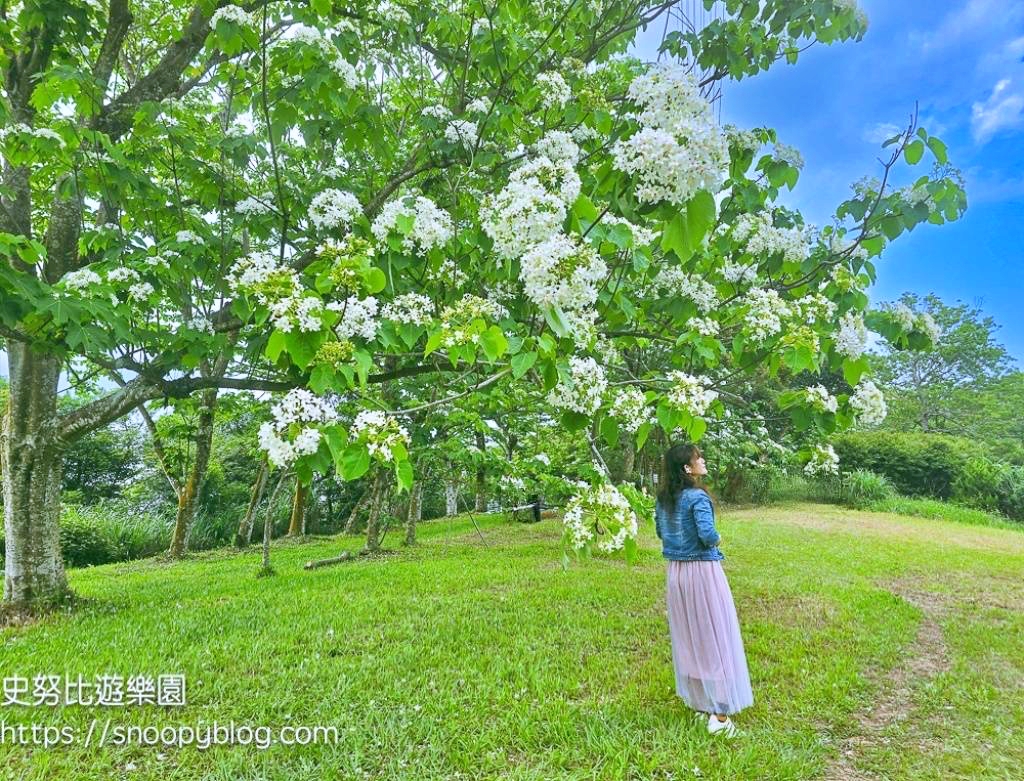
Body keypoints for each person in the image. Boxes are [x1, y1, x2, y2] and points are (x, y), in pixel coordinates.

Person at [654, 442, 754, 738]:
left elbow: (661, 532)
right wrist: (719, 538)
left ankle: (701, 707)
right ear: (687, 468)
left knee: (690, 638)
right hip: (702, 571)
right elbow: (708, 536)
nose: (703, 460)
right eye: (699, 458)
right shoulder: (698, 498)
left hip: (676, 573)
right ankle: (720, 716)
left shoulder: (663, 500)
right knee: (715, 637)